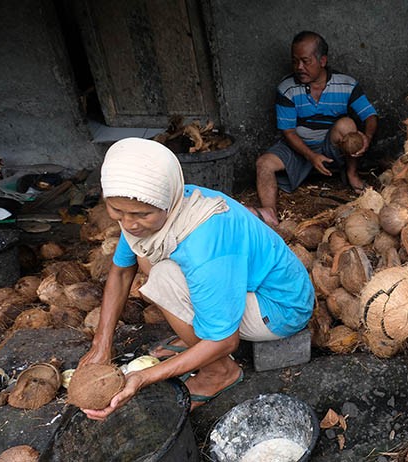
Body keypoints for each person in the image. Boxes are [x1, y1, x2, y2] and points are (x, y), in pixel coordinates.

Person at [79, 137, 314, 420]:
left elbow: (225, 342)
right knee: (146, 257)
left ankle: (218, 372)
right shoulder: (160, 205)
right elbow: (120, 270)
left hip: (279, 308)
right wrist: (101, 344)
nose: (128, 224)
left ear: (169, 201)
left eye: (141, 215)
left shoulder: (203, 239)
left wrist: (142, 378)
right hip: (240, 285)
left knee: (164, 277)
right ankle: (196, 334)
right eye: (117, 211)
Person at [254, 30, 379, 226]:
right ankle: (269, 213)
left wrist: (368, 138)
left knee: (347, 125)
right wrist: (311, 156)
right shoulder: (286, 89)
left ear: (322, 61)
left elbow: (370, 116)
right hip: (298, 148)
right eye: (295, 61)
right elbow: (288, 132)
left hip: (332, 148)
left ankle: (352, 175)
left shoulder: (347, 84)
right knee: (264, 164)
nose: (299, 67)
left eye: (305, 61)